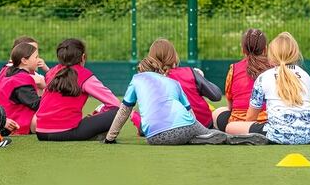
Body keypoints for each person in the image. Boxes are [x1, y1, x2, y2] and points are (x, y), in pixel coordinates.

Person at [102, 45, 265, 145]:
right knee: (200, 131)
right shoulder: (177, 81)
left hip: (155, 137)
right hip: (189, 125)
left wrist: (110, 138)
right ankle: (220, 137)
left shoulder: (137, 80)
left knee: (138, 115)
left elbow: (123, 111)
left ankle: (200, 138)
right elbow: (190, 112)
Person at [225, 32, 310, 145]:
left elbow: (251, 117)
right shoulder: (305, 76)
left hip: (276, 134)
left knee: (230, 127)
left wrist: (249, 128)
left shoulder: (263, 77)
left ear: (271, 56)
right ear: (296, 54)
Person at [35, 38, 135, 141]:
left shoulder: (52, 72)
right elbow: (115, 104)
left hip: (40, 132)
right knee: (118, 111)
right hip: (66, 132)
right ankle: (101, 135)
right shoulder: (84, 75)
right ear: (83, 57)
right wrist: (99, 113)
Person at [135, 38, 223, 128]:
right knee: (220, 111)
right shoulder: (189, 72)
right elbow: (216, 95)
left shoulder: (151, 82)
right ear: (174, 56)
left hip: (171, 129)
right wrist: (201, 78)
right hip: (204, 124)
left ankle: (135, 117)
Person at [212, 28, 271, 131]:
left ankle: (245, 132)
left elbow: (230, 106)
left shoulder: (234, 69)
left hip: (239, 124)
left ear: (243, 49)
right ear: (265, 48)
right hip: (268, 121)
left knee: (217, 113)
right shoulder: (274, 68)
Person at [0, 41, 43, 135]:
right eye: (36, 57)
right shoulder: (21, 79)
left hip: (8, 122)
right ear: (24, 61)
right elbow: (36, 104)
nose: (39, 60)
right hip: (16, 126)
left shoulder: (11, 73)